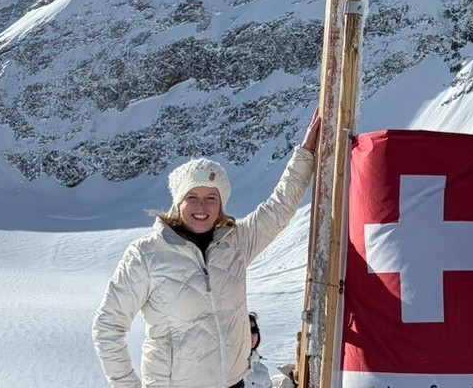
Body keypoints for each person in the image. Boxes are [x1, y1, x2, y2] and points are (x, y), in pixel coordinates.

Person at [92, 112, 321, 388]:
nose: (201, 206)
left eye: (211, 197)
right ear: (178, 203)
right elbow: (108, 327)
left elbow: (279, 208)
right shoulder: (146, 254)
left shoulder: (235, 243)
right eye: (192, 197)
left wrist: (305, 154)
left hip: (234, 382)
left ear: (221, 205)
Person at [244, 312, 272, 388]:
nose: (250, 336)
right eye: (245, 332)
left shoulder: (262, 369)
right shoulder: (227, 369)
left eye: (254, 330)